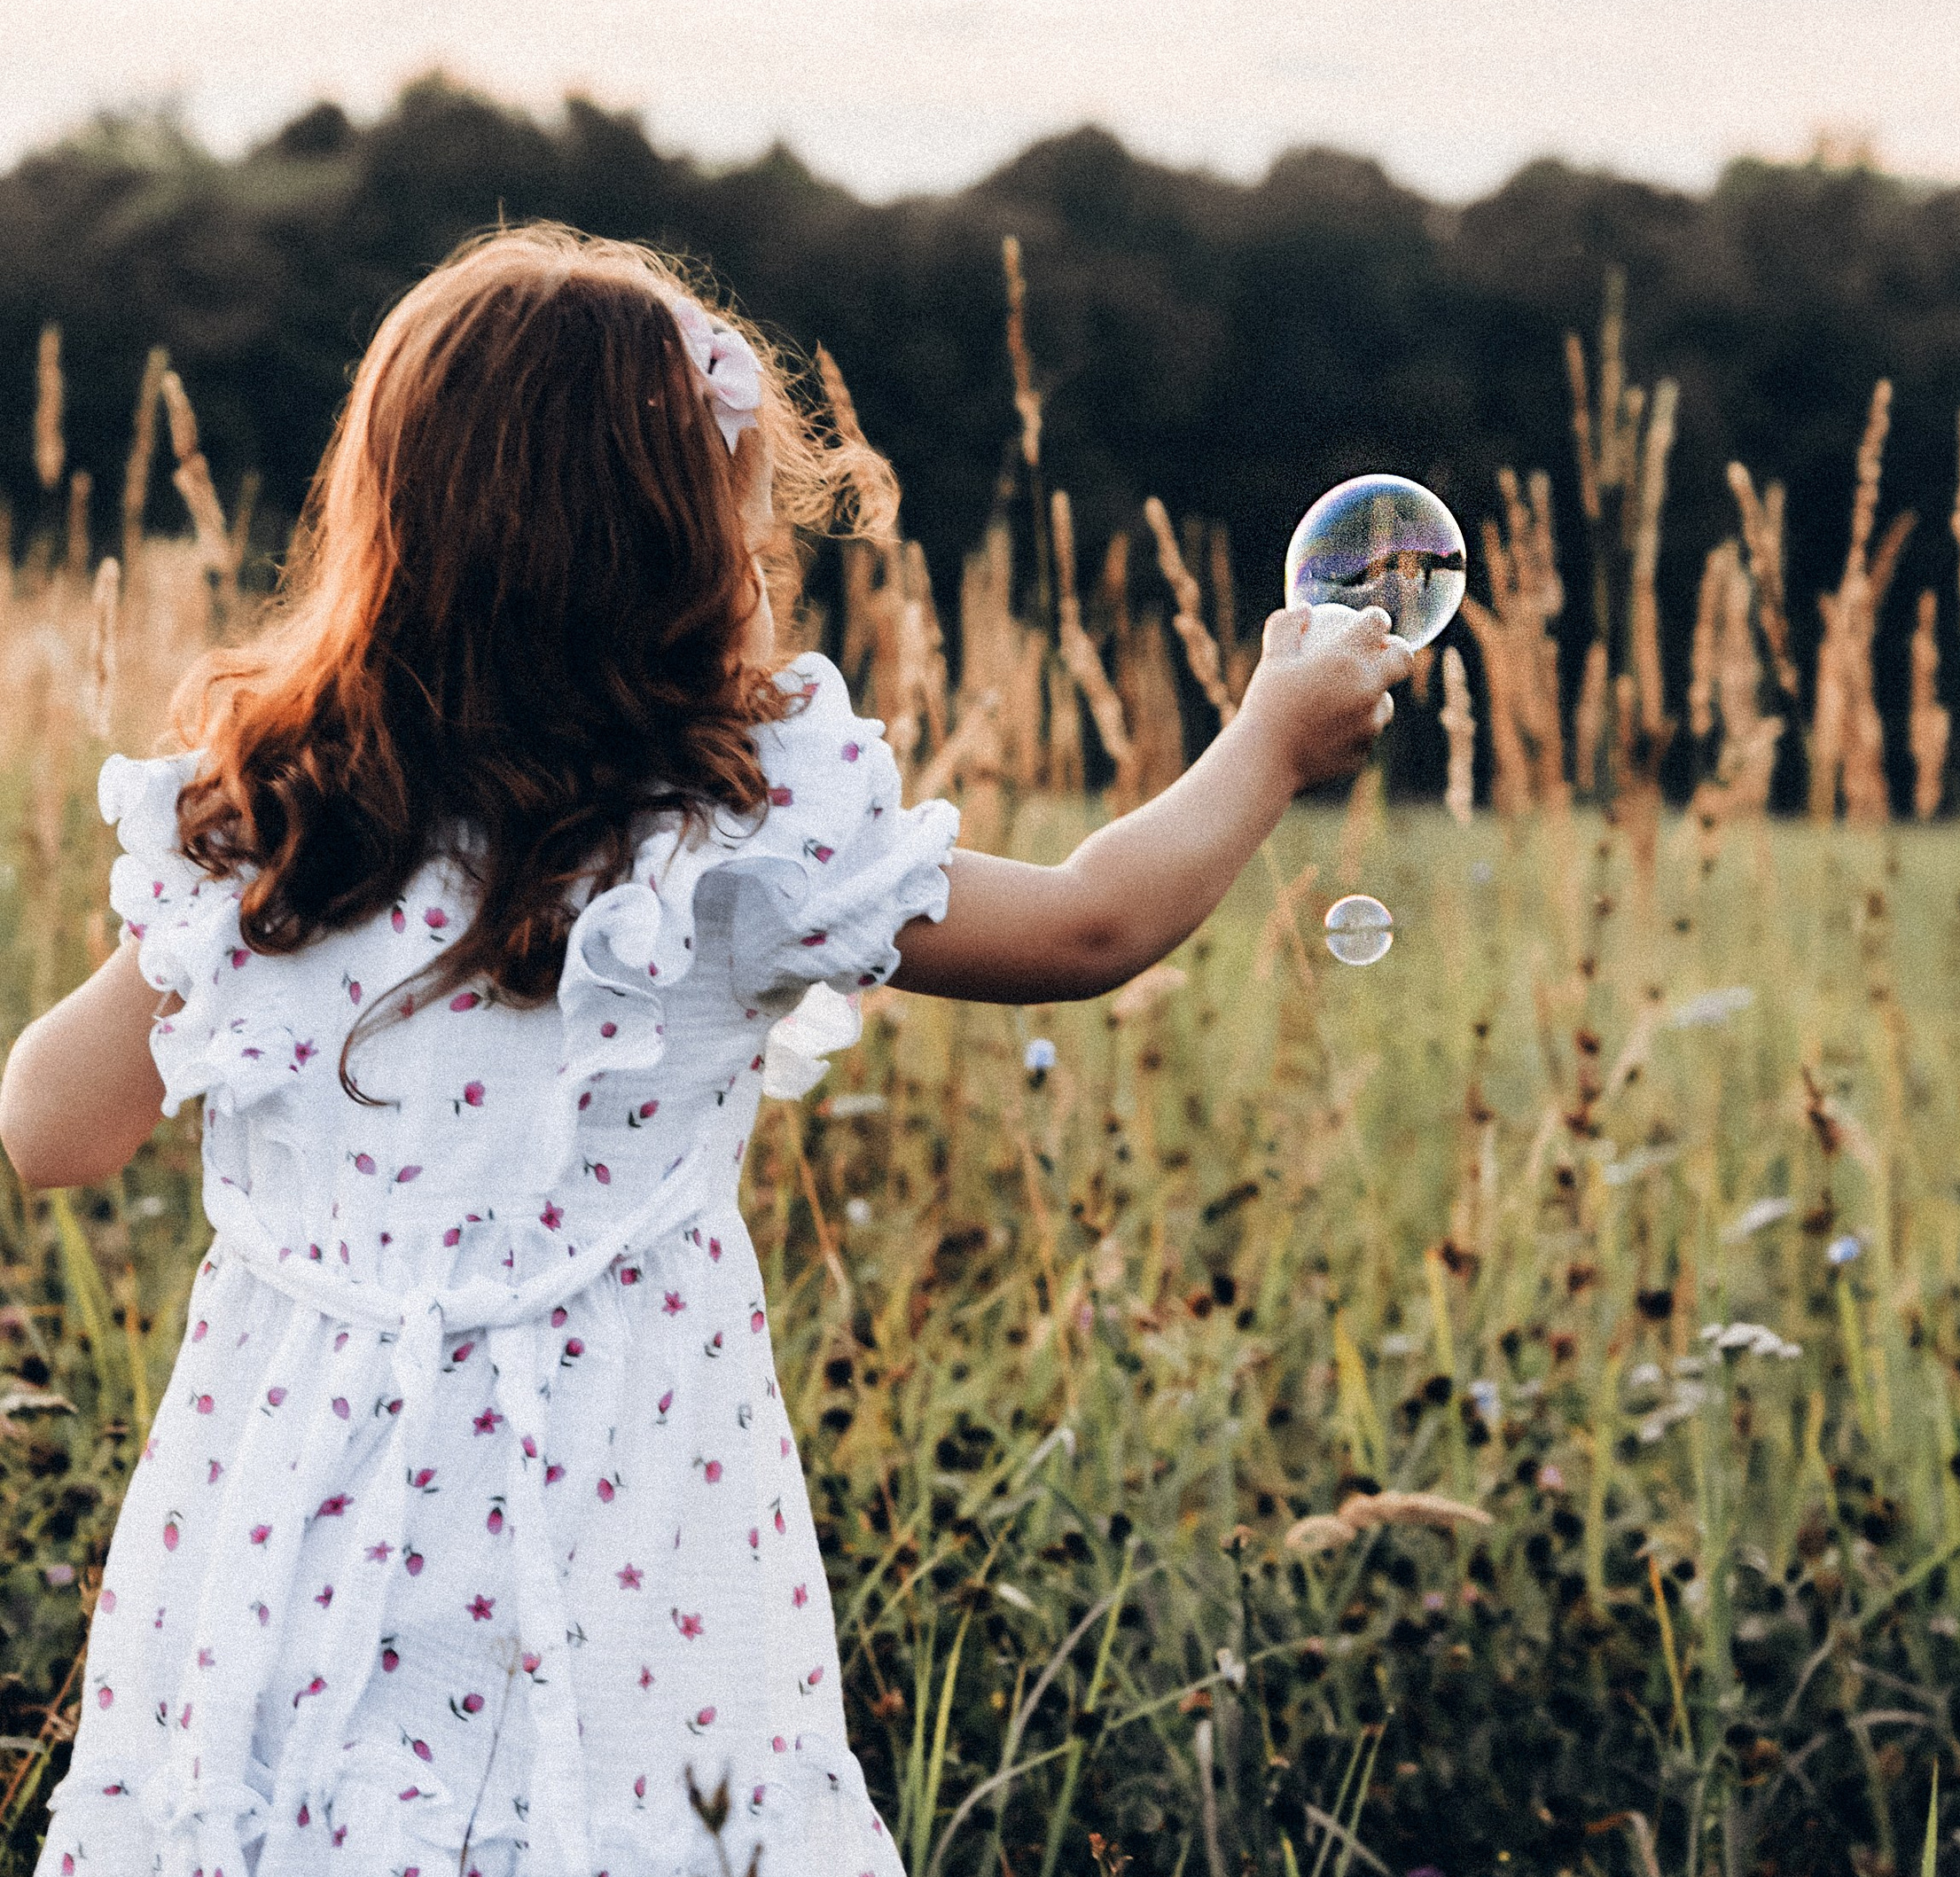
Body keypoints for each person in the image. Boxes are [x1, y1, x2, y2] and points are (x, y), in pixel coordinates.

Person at [0, 225, 1408, 1877]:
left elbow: (44, 1127)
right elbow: (1094, 927)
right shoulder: (715, 850)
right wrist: (1267, 741)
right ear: (680, 544)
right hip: (618, 1547)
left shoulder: (269, 833)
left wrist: (194, 943)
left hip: (289, 1545)